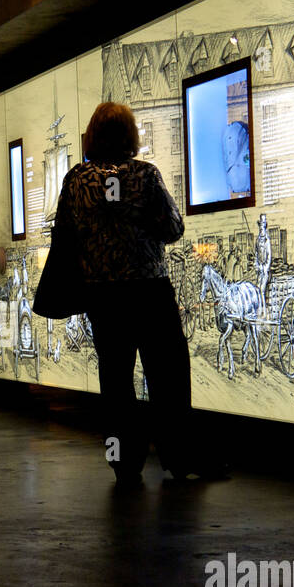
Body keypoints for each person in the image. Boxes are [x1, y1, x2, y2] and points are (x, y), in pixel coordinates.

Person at [57, 101, 217, 485]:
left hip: (103, 297)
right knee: (167, 375)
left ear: (92, 137)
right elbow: (174, 228)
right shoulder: (145, 176)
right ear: (131, 136)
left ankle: (124, 462)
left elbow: (64, 236)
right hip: (148, 292)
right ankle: (178, 456)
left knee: (115, 381)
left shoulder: (76, 180)